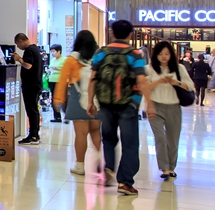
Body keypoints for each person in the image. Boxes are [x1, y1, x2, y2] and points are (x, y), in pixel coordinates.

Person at [90, 20, 149, 195]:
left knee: (108, 139)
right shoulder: (135, 54)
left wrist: (90, 102)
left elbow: (93, 78)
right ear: (130, 34)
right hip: (128, 104)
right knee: (130, 143)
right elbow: (141, 80)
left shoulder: (101, 53)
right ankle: (125, 182)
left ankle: (109, 167)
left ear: (112, 33)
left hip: (105, 103)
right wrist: (149, 104)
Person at [144, 41, 194, 181]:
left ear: (172, 55)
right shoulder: (149, 69)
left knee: (173, 139)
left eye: (167, 54)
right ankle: (164, 168)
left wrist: (176, 83)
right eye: (160, 54)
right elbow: (145, 87)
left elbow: (190, 85)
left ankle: (171, 167)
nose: (164, 57)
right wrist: (159, 81)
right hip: (156, 106)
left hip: (174, 107)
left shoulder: (179, 68)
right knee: (160, 138)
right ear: (155, 55)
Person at [54, 30, 101, 175]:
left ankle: (80, 166)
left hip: (78, 99)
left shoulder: (72, 60)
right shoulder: (98, 58)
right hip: (96, 100)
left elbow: (62, 81)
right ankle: (100, 162)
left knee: (81, 134)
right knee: (95, 131)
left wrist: (58, 100)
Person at [12, 33, 44, 145]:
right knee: (33, 109)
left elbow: (28, 65)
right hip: (35, 84)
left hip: (31, 85)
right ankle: (34, 134)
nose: (18, 47)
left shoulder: (29, 50)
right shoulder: (35, 49)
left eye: (18, 44)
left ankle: (33, 135)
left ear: (20, 41)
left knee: (31, 110)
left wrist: (19, 59)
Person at [46, 44, 66, 123]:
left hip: (60, 81)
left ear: (59, 51)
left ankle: (66, 115)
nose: (52, 53)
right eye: (51, 51)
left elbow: (66, 70)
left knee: (62, 99)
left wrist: (57, 68)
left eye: (54, 51)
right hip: (52, 80)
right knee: (54, 99)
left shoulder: (64, 60)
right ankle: (57, 117)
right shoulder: (53, 60)